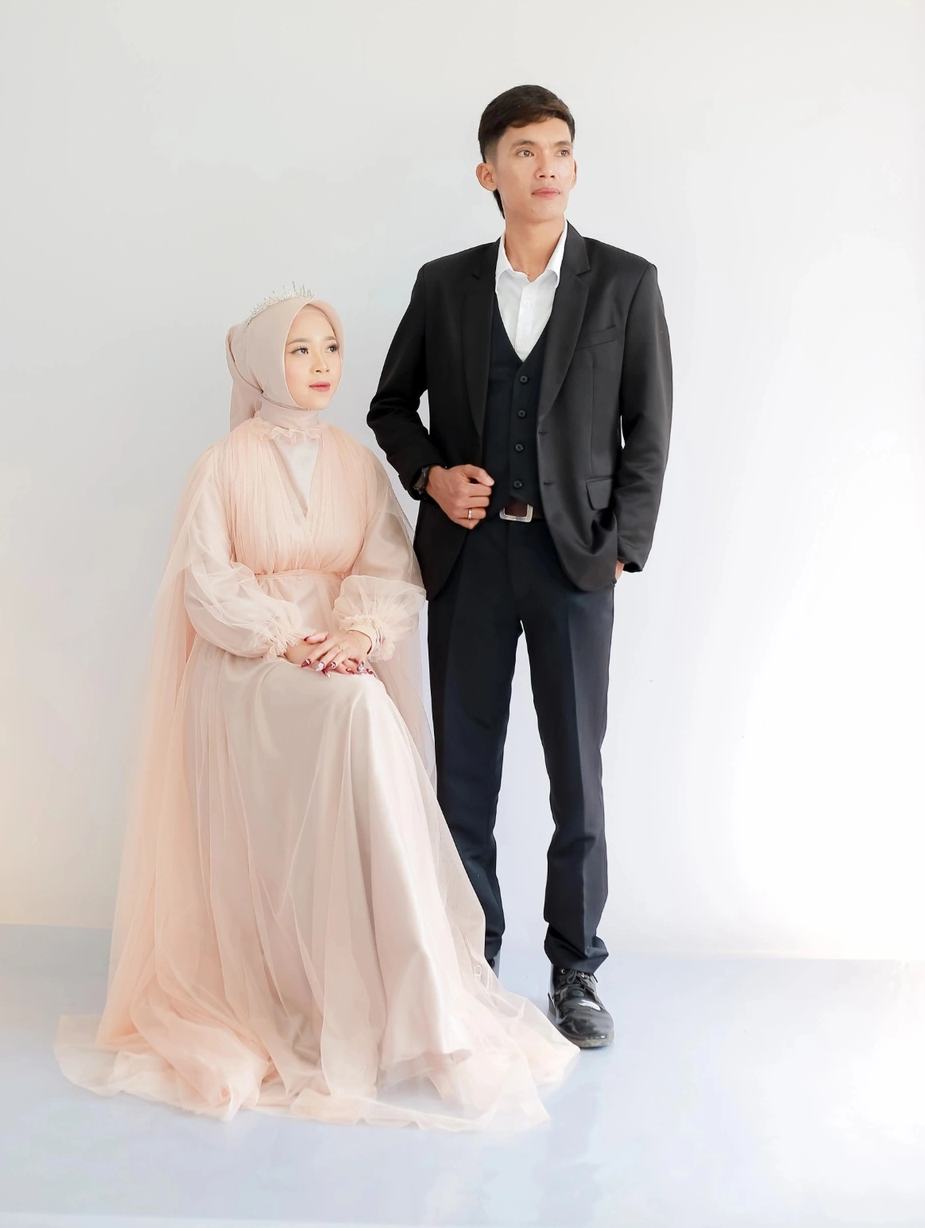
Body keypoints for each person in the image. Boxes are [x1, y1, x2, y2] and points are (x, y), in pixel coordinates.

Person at [56, 289, 575, 1129]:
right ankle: (371, 999)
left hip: (339, 658)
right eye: (299, 350)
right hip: (249, 668)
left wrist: (356, 634)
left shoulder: (356, 462)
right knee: (357, 712)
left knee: (360, 708)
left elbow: (388, 567)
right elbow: (204, 583)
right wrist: (288, 641)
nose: (321, 364)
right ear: (265, 363)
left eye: (330, 346)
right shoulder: (222, 464)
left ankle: (419, 1001)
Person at [368, 85, 673, 1049]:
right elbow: (389, 406)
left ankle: (575, 970)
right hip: (469, 559)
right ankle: (467, 964)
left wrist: (620, 545)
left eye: (560, 149)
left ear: (574, 166)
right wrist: (432, 477)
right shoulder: (443, 284)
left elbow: (648, 428)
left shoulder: (624, 283)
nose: (547, 166)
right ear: (487, 172)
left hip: (572, 562)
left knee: (575, 774)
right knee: (463, 772)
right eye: (525, 150)